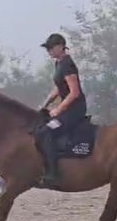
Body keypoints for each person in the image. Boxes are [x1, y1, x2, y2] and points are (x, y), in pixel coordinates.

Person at [35, 32, 87, 184]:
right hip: (67, 108)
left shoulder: (68, 65)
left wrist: (59, 109)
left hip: (74, 110)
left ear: (60, 46)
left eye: (51, 48)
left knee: (46, 132)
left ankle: (53, 173)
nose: (49, 52)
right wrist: (44, 104)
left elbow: (74, 92)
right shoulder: (59, 64)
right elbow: (58, 88)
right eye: (47, 49)